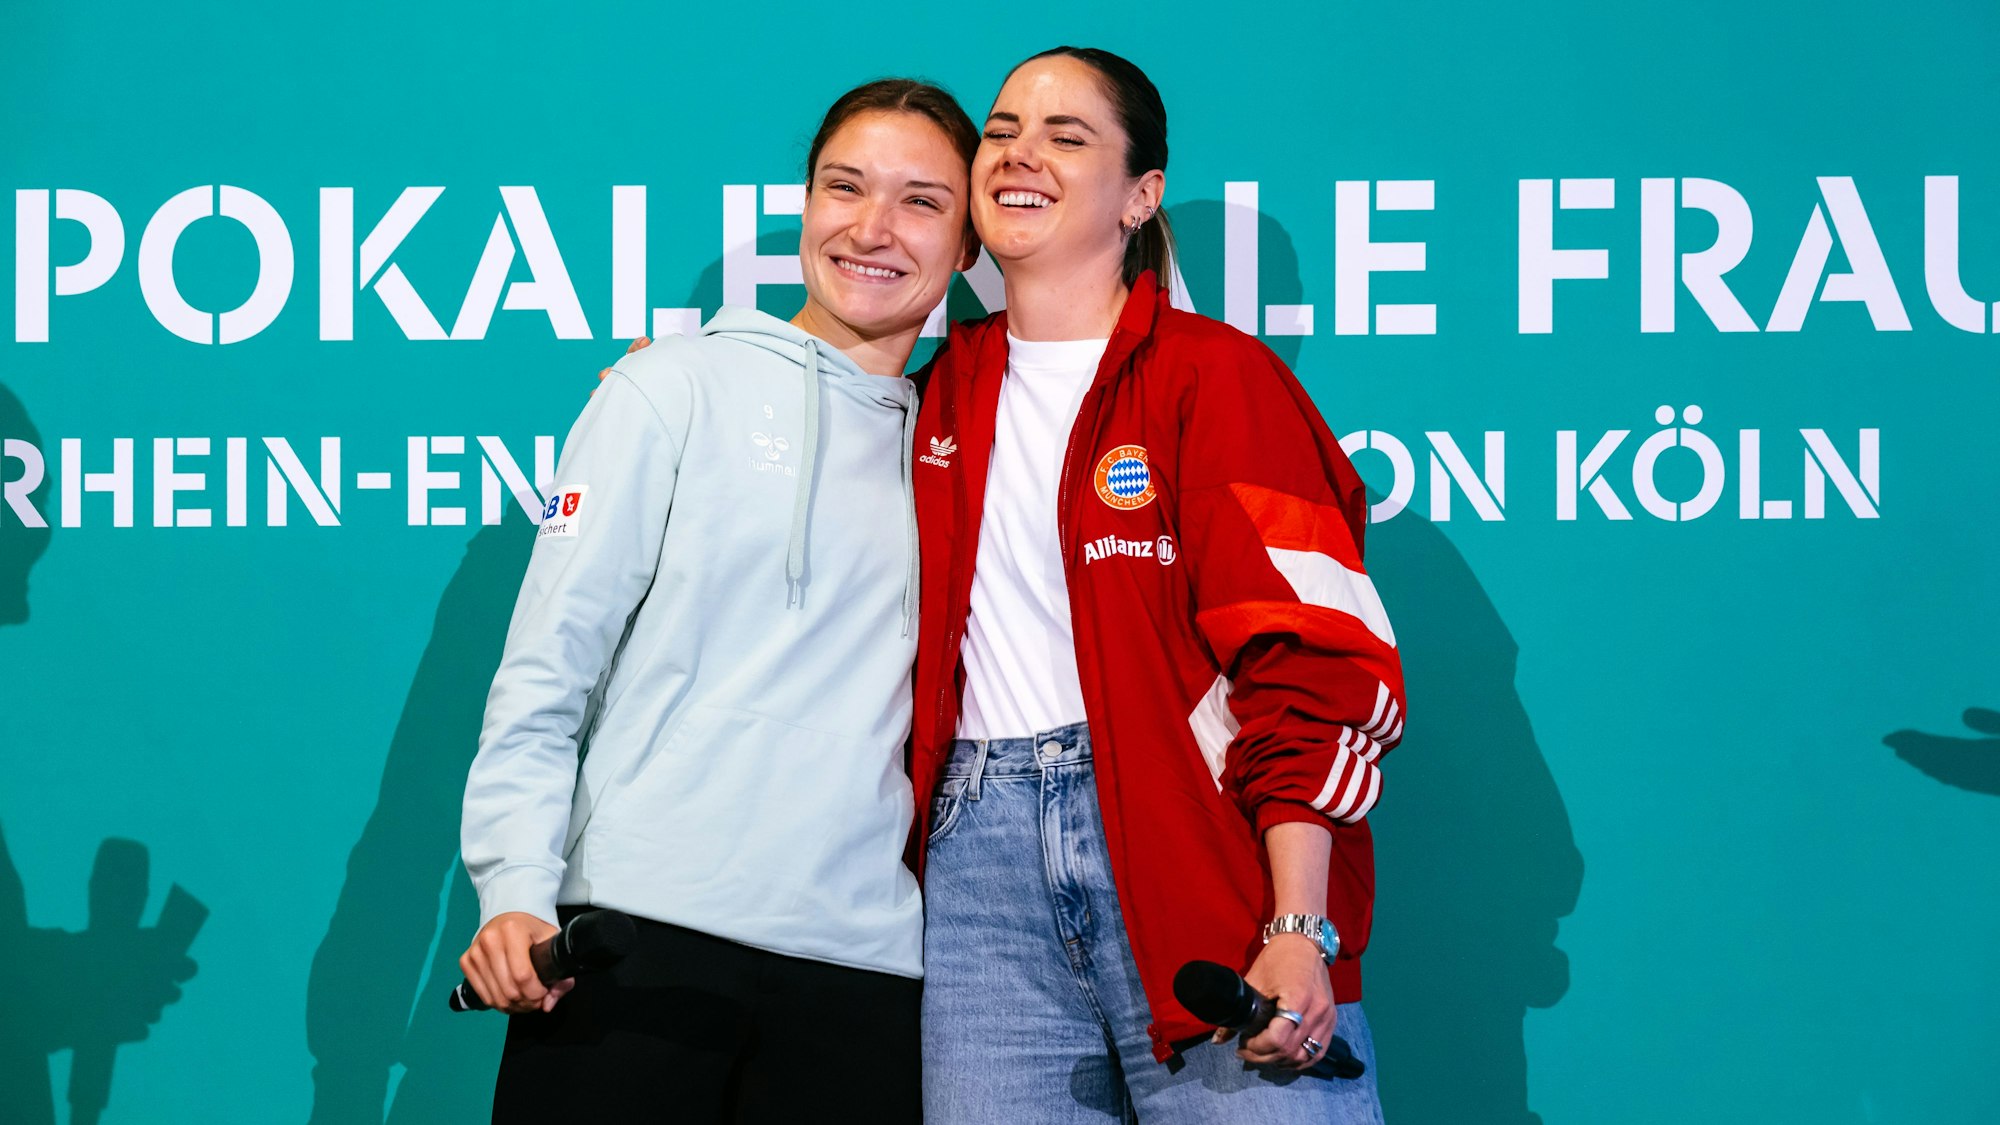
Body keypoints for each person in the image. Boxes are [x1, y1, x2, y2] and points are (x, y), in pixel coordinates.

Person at [456, 78, 979, 1123]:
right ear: (803, 206)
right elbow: (548, 671)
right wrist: (513, 887)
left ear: (969, 246)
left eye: (921, 202)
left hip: (863, 974)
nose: (872, 228)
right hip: (633, 945)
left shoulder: (967, 446)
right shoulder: (669, 387)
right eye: (845, 187)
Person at [909, 47, 1405, 1122]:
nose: (1019, 154)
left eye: (1064, 136)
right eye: (1000, 130)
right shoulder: (930, 395)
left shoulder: (1217, 377)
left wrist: (1296, 929)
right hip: (973, 886)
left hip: (1196, 862)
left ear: (1140, 196)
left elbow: (1314, 665)